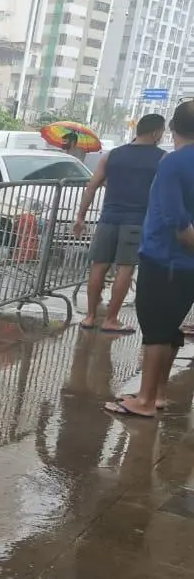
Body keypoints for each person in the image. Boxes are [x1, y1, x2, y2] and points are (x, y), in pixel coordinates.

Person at [106, 101, 194, 420]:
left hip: (165, 258)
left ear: (171, 127)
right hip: (185, 267)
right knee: (170, 328)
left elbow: (177, 222)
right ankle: (158, 394)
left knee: (156, 329)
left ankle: (144, 400)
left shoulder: (173, 163)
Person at [73, 114, 166, 334]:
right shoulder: (162, 158)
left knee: (98, 266)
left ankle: (90, 316)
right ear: (156, 132)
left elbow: (91, 187)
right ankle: (111, 319)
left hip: (108, 219)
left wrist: (80, 217)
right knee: (125, 268)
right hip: (137, 221)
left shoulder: (112, 155)